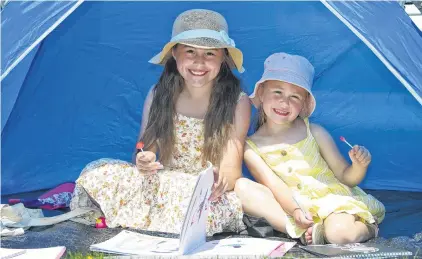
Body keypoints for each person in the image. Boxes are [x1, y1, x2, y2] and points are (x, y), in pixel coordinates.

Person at [70, 9, 251, 236]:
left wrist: (218, 181)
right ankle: (158, 215)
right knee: (97, 171)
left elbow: (232, 171)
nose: (199, 62)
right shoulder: (159, 94)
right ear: (175, 54)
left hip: (200, 189)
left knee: (200, 203)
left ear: (223, 57)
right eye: (190, 51)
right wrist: (145, 159)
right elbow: (145, 146)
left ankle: (157, 216)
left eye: (210, 54)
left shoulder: (237, 102)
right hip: (163, 181)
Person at [234, 52, 385, 245]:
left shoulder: (314, 132)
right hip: (293, 208)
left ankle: (365, 228)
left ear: (304, 103)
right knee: (242, 187)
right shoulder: (251, 147)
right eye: (277, 92)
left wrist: (359, 166)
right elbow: (273, 185)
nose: (284, 102)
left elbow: (346, 177)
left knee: (339, 234)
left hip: (332, 204)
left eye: (294, 96)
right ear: (261, 93)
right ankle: (305, 232)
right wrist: (296, 210)